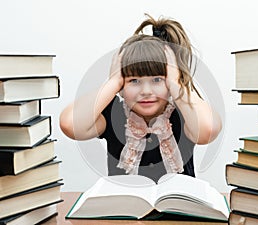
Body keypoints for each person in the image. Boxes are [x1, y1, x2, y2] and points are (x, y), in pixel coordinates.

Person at [60, 14, 222, 182]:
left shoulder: (184, 112)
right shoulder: (113, 113)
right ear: (122, 84)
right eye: (134, 81)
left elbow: (208, 129)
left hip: (177, 207)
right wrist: (113, 82)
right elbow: (69, 124)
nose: (146, 91)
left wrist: (176, 83)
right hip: (125, 207)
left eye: (157, 80)